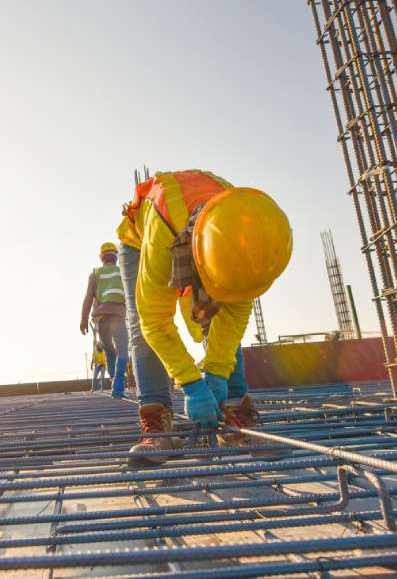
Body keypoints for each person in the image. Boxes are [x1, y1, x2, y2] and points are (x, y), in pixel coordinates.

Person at [116, 170, 292, 467]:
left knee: (220, 308)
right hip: (143, 237)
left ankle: (235, 413)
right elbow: (154, 321)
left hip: (208, 232)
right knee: (140, 327)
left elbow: (234, 314)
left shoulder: (249, 234)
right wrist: (192, 385)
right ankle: (157, 425)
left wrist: (217, 372)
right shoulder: (163, 234)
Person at [80, 242, 129, 398]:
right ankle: (118, 387)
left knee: (109, 351)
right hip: (118, 316)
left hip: (101, 318)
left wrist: (83, 320)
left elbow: (88, 299)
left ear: (101, 257)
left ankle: (114, 381)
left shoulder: (96, 273)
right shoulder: (122, 271)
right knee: (122, 352)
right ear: (116, 257)